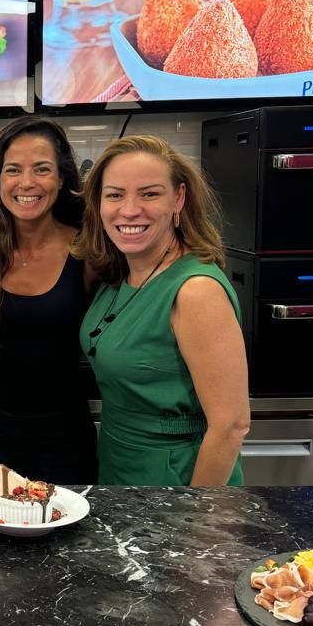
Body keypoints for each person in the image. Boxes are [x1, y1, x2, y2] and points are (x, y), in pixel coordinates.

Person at [73, 135, 249, 487]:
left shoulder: (195, 291)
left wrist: (196, 521)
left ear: (178, 198)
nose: (129, 209)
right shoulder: (121, 272)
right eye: (115, 194)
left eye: (149, 193)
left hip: (176, 480)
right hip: (120, 468)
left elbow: (231, 425)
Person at [0, 116, 97, 485]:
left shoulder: (89, 249)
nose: (26, 183)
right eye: (13, 169)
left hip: (61, 438)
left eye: (42, 169)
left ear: (62, 179)